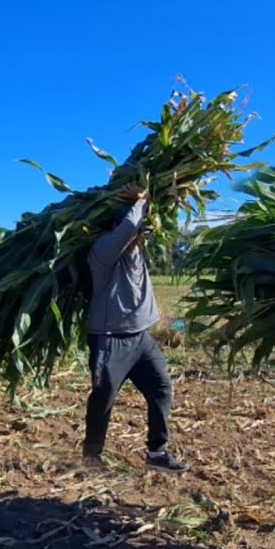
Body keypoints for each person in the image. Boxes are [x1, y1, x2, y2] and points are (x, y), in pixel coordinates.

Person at [82, 182, 186, 472]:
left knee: (162, 388)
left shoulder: (137, 252)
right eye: (134, 230)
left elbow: (158, 312)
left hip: (141, 340)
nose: (138, 235)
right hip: (109, 340)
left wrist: (179, 323)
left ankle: (156, 453)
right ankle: (91, 456)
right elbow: (129, 227)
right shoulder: (102, 252)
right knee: (103, 398)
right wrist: (143, 198)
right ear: (114, 227)